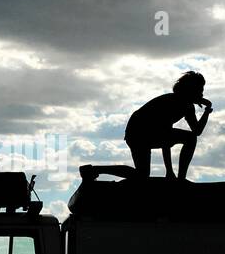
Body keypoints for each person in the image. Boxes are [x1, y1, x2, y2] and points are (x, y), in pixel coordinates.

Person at [81, 71, 212, 180]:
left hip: (152, 134)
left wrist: (207, 111)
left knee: (142, 174)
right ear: (190, 89)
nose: (201, 93)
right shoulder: (172, 101)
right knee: (143, 174)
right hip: (137, 132)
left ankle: (94, 170)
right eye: (200, 90)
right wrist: (169, 172)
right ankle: (180, 179)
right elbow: (165, 138)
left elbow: (197, 131)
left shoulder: (188, 107)